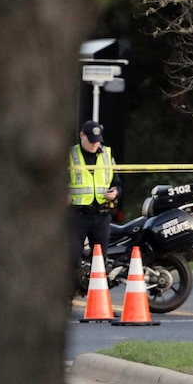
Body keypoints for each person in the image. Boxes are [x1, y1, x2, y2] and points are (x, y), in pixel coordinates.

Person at [68, 120, 122, 294]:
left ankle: (98, 301)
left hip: (101, 215)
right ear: (81, 135)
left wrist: (115, 193)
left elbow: (117, 184)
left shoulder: (106, 155)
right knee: (72, 258)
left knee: (99, 260)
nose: (94, 144)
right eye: (91, 140)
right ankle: (68, 298)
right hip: (77, 216)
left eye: (97, 140)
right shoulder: (70, 155)